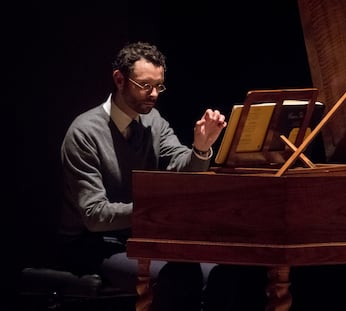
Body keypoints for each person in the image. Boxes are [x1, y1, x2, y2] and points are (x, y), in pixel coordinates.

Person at [56, 41, 268, 311]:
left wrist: (201, 148)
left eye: (159, 86)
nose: (154, 94)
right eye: (145, 85)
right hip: (92, 244)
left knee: (221, 271)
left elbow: (183, 167)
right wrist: (156, 212)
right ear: (119, 79)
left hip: (142, 237)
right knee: (179, 277)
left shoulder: (153, 121)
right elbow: (95, 215)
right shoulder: (84, 132)